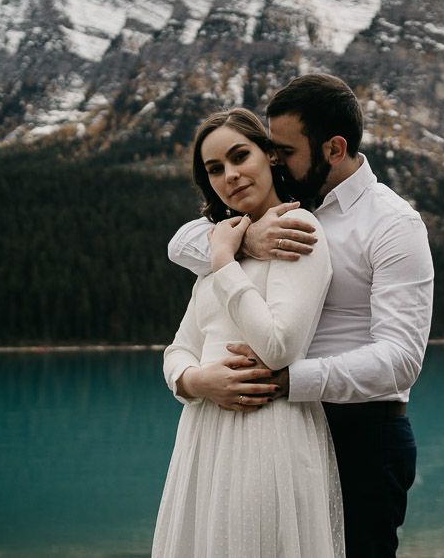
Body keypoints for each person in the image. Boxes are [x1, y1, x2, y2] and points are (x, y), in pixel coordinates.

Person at [167, 74, 435, 557]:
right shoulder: (283, 202)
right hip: (277, 428)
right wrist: (240, 241)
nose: (274, 160)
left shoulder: (393, 223)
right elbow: (180, 242)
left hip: (363, 434)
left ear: (333, 148)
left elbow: (401, 360)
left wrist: (289, 380)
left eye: (285, 151)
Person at [152, 108, 344, 557]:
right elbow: (180, 348)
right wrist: (196, 380)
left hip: (267, 436)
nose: (231, 175)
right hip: (204, 432)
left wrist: (224, 262)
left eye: (241, 157)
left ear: (271, 156)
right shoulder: (224, 240)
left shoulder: (298, 229)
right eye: (215, 169)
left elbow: (278, 347)